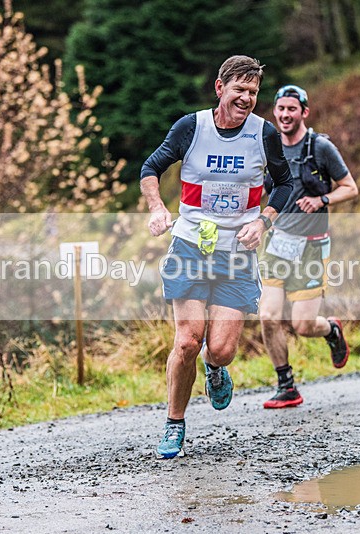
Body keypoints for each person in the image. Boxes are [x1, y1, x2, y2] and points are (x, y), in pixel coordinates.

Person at [140, 55, 294, 459]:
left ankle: (216, 368)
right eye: (239, 89)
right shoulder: (191, 127)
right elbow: (151, 167)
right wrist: (158, 209)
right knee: (188, 341)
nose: (246, 98)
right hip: (191, 246)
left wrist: (263, 221)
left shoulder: (264, 134)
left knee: (221, 349)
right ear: (219, 87)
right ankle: (175, 423)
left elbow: (284, 183)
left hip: (237, 254)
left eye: (253, 92)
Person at [258, 84, 358, 409]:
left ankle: (330, 330)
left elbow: (350, 187)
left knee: (302, 325)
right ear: (275, 112)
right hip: (276, 244)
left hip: (312, 247)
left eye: (292, 109)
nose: (285, 115)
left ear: (304, 112)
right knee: (268, 317)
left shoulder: (321, 147)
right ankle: (286, 385)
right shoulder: (269, 148)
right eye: (280, 109)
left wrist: (322, 199)